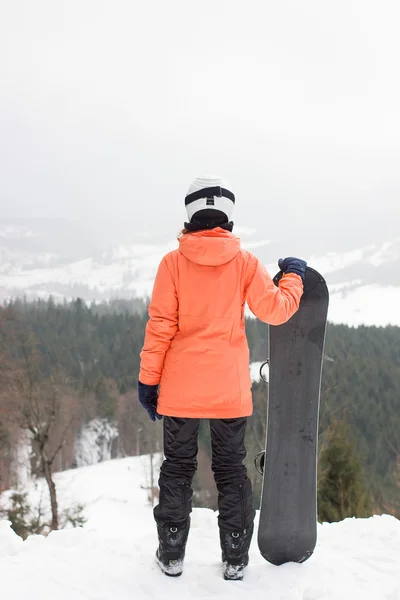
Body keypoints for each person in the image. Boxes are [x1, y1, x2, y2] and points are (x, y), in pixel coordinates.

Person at [138, 175, 306, 580]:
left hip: (180, 389)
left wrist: (148, 381)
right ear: (227, 218)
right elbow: (277, 310)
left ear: (190, 215)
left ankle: (172, 553)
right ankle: (234, 557)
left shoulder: (172, 264)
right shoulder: (244, 262)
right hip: (229, 390)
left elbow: (160, 326)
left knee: (178, 468)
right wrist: (294, 274)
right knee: (231, 469)